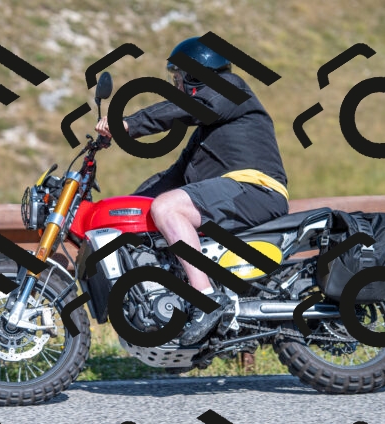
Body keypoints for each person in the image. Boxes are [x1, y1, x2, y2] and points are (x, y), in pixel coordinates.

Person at [95, 36, 289, 346]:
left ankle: (206, 298)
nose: (176, 87)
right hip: (235, 192)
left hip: (256, 188)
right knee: (159, 207)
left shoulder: (230, 89)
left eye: (178, 78)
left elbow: (187, 108)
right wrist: (127, 205)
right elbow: (174, 177)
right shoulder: (208, 132)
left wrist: (129, 124)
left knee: (167, 208)